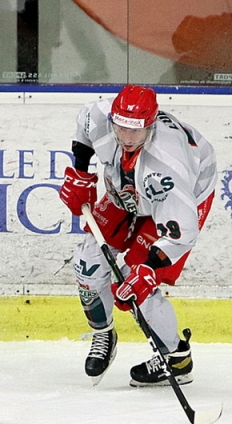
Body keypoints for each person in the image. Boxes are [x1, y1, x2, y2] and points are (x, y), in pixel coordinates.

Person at [58, 84, 216, 387]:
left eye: (136, 130)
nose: (127, 137)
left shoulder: (167, 167)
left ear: (151, 125)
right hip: (125, 189)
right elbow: (85, 127)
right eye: (122, 128)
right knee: (87, 264)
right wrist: (80, 173)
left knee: (136, 282)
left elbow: (182, 233)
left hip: (179, 197)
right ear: (114, 118)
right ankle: (104, 333)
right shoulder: (101, 115)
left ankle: (176, 358)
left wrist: (149, 268)